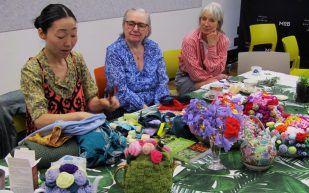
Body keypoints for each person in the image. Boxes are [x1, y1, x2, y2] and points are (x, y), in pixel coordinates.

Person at [21, 4, 120, 134]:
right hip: (50, 141)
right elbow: (40, 120)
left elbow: (91, 101)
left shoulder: (76, 59)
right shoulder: (32, 69)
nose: (68, 43)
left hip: (80, 134)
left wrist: (103, 103)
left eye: (73, 35)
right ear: (42, 33)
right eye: (61, 36)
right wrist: (78, 116)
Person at [105, 8, 169, 113]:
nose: (135, 29)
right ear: (124, 25)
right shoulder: (114, 51)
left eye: (141, 25)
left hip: (155, 105)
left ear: (148, 29)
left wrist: (159, 106)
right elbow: (121, 91)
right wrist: (146, 109)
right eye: (131, 23)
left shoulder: (154, 47)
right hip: (125, 109)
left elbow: (163, 81)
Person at [175, 2, 230, 95]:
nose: (206, 24)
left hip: (210, 78)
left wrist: (212, 46)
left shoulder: (223, 40)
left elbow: (218, 69)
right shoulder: (190, 40)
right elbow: (196, 75)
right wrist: (215, 78)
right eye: (204, 19)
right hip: (187, 79)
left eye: (212, 20)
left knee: (222, 93)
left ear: (218, 24)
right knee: (215, 87)